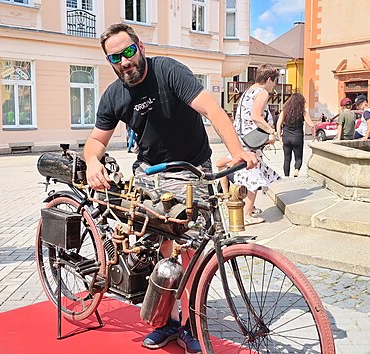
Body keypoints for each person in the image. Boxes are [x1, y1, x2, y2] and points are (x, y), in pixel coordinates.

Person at [83, 23, 257, 354]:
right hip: (150, 174)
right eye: (115, 57)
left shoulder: (169, 72)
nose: (124, 62)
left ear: (141, 47)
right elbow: (95, 141)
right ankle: (164, 320)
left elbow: (212, 109)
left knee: (187, 251)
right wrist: (93, 162)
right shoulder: (115, 95)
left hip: (191, 169)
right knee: (153, 250)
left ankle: (189, 324)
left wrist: (237, 150)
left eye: (129, 52)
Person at [232, 64, 282, 225]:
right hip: (251, 141)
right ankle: (246, 215)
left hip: (241, 137)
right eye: (274, 82)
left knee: (247, 173)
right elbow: (256, 116)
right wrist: (271, 131)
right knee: (253, 175)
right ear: (268, 79)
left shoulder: (248, 91)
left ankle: (248, 208)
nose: (274, 86)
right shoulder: (261, 92)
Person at [276, 93, 316, 177]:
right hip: (297, 137)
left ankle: (286, 176)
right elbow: (311, 125)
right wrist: (314, 136)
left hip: (286, 137)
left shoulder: (285, 111)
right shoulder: (302, 112)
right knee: (298, 158)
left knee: (287, 159)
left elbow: (278, 124)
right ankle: (296, 170)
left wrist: (279, 137)